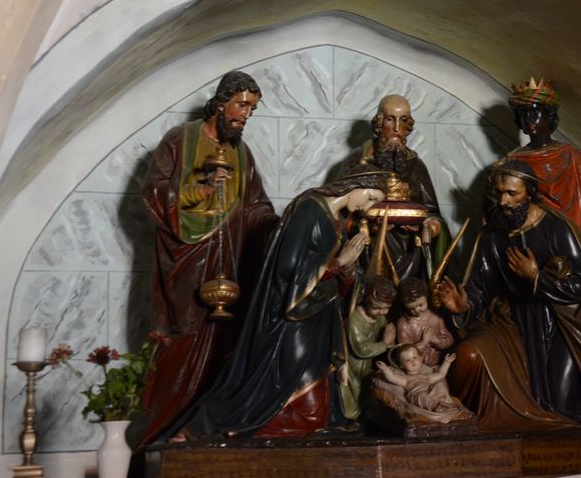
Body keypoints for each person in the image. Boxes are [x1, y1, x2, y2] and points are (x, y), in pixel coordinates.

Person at [171, 170, 389, 439]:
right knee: (288, 389)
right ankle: (218, 427)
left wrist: (347, 270)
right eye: (370, 197)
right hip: (293, 315)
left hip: (319, 315)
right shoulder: (310, 208)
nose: (367, 207)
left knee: (320, 410)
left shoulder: (337, 220)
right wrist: (338, 263)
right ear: (356, 184)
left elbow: (337, 275)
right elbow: (287, 264)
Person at [441, 160, 581, 433]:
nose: (504, 201)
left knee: (561, 408)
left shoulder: (556, 228)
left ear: (530, 193)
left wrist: (537, 278)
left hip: (560, 327)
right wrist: (464, 305)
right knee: (468, 355)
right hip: (510, 323)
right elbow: (480, 287)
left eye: (512, 194)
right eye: (500, 193)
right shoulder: (493, 233)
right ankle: (463, 419)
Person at [138, 71, 277, 448]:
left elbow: (255, 205)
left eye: (251, 109)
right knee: (181, 342)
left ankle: (204, 429)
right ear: (220, 103)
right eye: (241, 105)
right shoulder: (180, 140)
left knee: (225, 347)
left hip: (230, 263)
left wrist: (274, 225)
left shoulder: (241, 153)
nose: (245, 115)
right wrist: (199, 191)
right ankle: (162, 433)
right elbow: (153, 192)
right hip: (187, 261)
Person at [501, 77, 581, 388]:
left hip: (570, 255)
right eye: (525, 115)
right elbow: (501, 211)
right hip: (532, 254)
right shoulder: (513, 162)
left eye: (536, 113)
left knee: (575, 336)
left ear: (550, 117)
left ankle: (580, 390)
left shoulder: (570, 157)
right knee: (534, 338)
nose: (530, 121)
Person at [338, 94, 446, 281]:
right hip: (368, 247)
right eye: (390, 119)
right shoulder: (358, 161)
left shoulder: (415, 165)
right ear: (379, 123)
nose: (397, 128)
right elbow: (337, 210)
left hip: (409, 247)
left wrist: (429, 228)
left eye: (403, 120)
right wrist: (361, 226)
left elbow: (433, 213)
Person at [341, 276, 398, 419]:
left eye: (387, 308)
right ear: (365, 299)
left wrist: (390, 342)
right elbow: (361, 349)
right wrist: (385, 343)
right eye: (376, 307)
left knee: (366, 393)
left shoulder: (381, 319)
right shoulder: (354, 320)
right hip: (353, 366)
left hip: (368, 365)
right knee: (353, 395)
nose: (382, 312)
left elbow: (385, 339)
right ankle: (350, 419)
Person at [376, 346, 458, 413]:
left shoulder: (427, 376)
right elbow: (392, 377)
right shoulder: (405, 379)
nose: (412, 361)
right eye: (407, 360)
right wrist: (385, 369)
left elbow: (441, 374)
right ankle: (435, 407)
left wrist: (447, 362)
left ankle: (446, 403)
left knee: (440, 385)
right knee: (422, 397)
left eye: (414, 358)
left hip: (431, 393)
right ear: (402, 366)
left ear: (421, 358)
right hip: (417, 394)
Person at [395, 277, 453, 368]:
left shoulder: (435, 316)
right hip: (414, 368)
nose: (417, 310)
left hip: (436, 364)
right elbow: (404, 353)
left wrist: (436, 340)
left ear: (426, 298)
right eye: (411, 308)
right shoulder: (404, 325)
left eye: (420, 305)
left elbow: (449, 339)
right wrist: (424, 342)